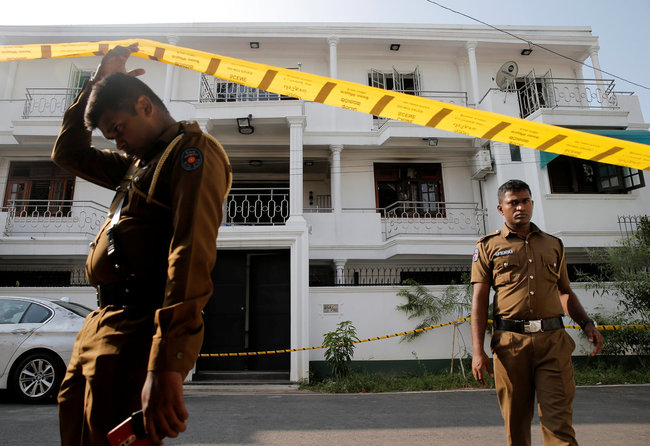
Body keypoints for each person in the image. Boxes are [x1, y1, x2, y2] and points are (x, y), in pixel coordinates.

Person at [52, 45, 231, 445]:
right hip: (100, 323)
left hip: (136, 326)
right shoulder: (138, 163)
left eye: (118, 129)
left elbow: (189, 255)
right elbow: (68, 153)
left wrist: (165, 366)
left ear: (145, 106)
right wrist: (97, 83)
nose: (117, 143)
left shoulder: (189, 153)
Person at [470, 179, 603, 446]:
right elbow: (480, 301)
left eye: (525, 200)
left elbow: (564, 291)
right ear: (501, 208)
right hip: (510, 345)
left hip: (553, 341)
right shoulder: (488, 246)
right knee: (516, 423)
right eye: (513, 203)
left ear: (532, 203)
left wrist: (587, 323)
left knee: (559, 422)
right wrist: (478, 350)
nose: (521, 207)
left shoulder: (553, 244)